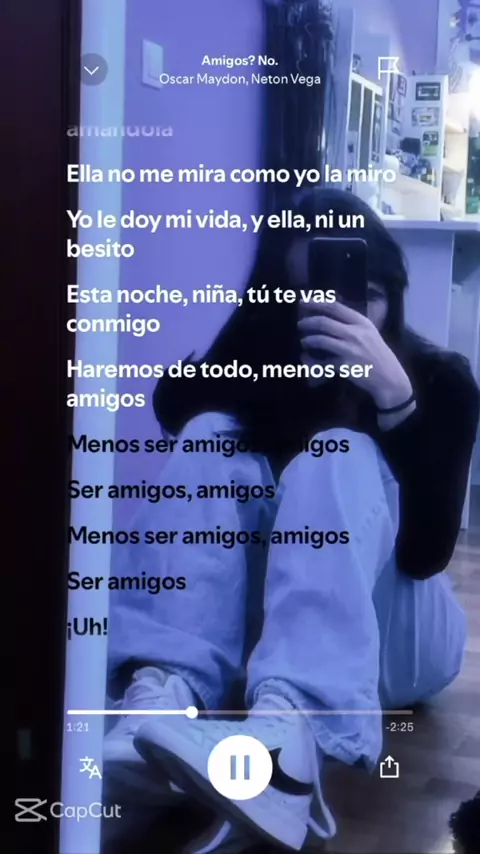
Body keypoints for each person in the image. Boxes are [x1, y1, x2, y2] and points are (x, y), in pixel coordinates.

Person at [104, 188, 480, 853]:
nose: (332, 312)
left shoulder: (439, 379)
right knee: (212, 432)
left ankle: (286, 751)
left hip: (401, 640)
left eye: (361, 294)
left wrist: (394, 401)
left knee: (339, 452)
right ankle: (164, 701)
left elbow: (426, 555)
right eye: (301, 295)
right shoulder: (264, 360)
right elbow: (174, 407)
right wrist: (263, 344)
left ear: (390, 295)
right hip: (283, 641)